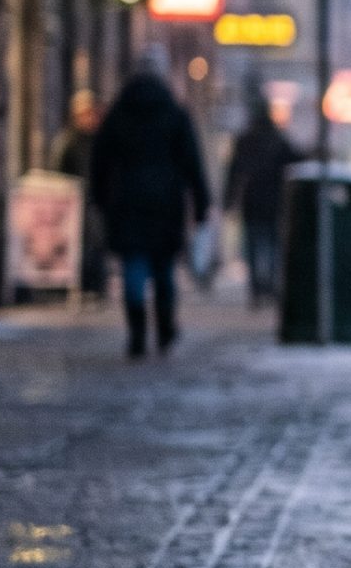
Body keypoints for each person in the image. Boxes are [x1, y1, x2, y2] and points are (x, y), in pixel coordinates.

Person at [89, 52, 210, 356]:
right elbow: (192, 162)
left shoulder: (119, 112)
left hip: (127, 201)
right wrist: (201, 201)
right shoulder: (174, 112)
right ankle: (166, 327)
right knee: (164, 268)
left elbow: (99, 160)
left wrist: (100, 198)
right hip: (166, 202)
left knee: (134, 265)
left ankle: (137, 331)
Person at [223, 94, 299, 306]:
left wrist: (229, 200)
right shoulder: (277, 138)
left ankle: (257, 289)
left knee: (255, 245)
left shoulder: (245, 140)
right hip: (275, 201)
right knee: (273, 245)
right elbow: (293, 161)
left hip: (253, 202)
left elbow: (234, 172)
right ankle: (271, 287)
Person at [52, 90, 107, 299]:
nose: (91, 118)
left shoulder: (99, 141)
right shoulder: (68, 141)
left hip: (94, 200)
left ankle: (95, 285)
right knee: (77, 242)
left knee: (96, 241)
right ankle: (79, 284)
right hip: (73, 202)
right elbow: (59, 170)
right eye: (87, 114)